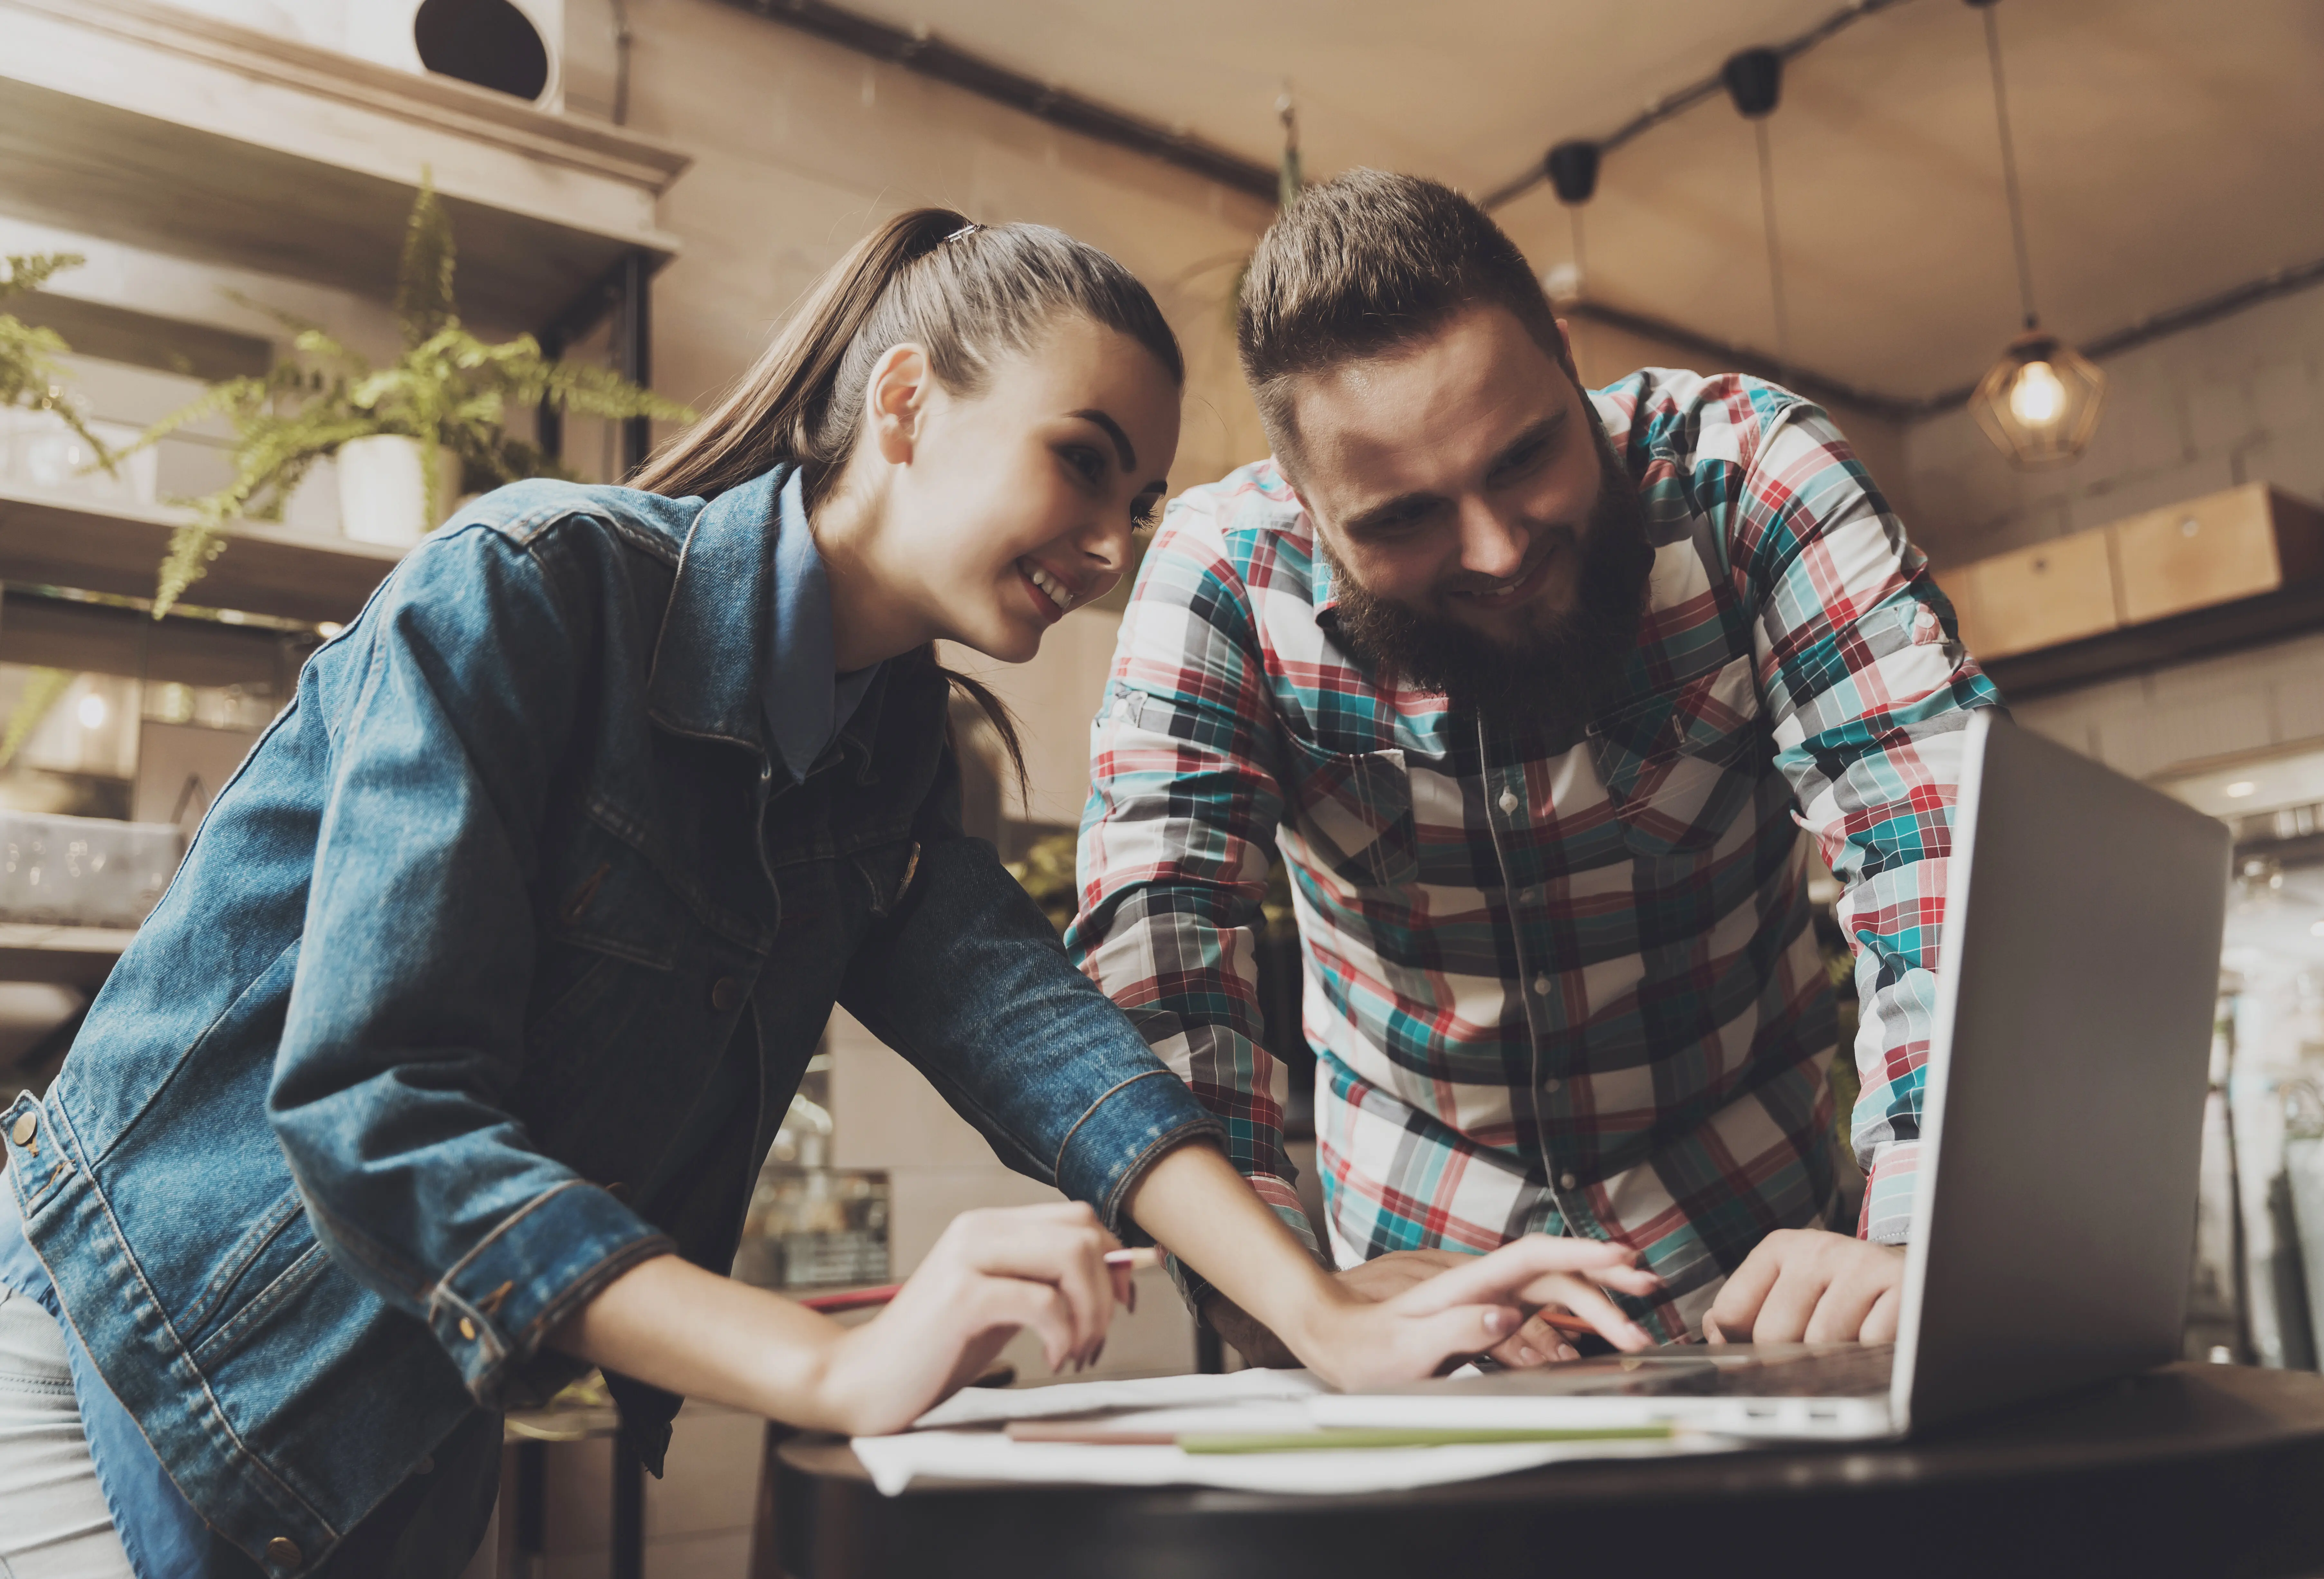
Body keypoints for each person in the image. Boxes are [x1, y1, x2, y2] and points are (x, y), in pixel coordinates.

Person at [0, 210, 1652, 1579]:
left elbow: (1043, 1040)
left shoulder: (885, 761)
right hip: (127, 1339)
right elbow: (378, 1109)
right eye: (1081, 464)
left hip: (392, 1421)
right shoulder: (530, 591)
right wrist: (825, 1359)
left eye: (1137, 500)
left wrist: (1309, 1301)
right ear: (911, 404)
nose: (1108, 540)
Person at [1071, 170, 2000, 1369]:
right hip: (1412, 1298)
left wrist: (1920, 1243)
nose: (1500, 551)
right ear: (1303, 505)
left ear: (1567, 364)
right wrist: (1284, 1299)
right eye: (1403, 519)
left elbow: (1936, 845)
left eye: (1524, 458)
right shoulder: (1221, 577)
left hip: (1776, 1279)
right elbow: (1161, 958)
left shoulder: (1754, 480)